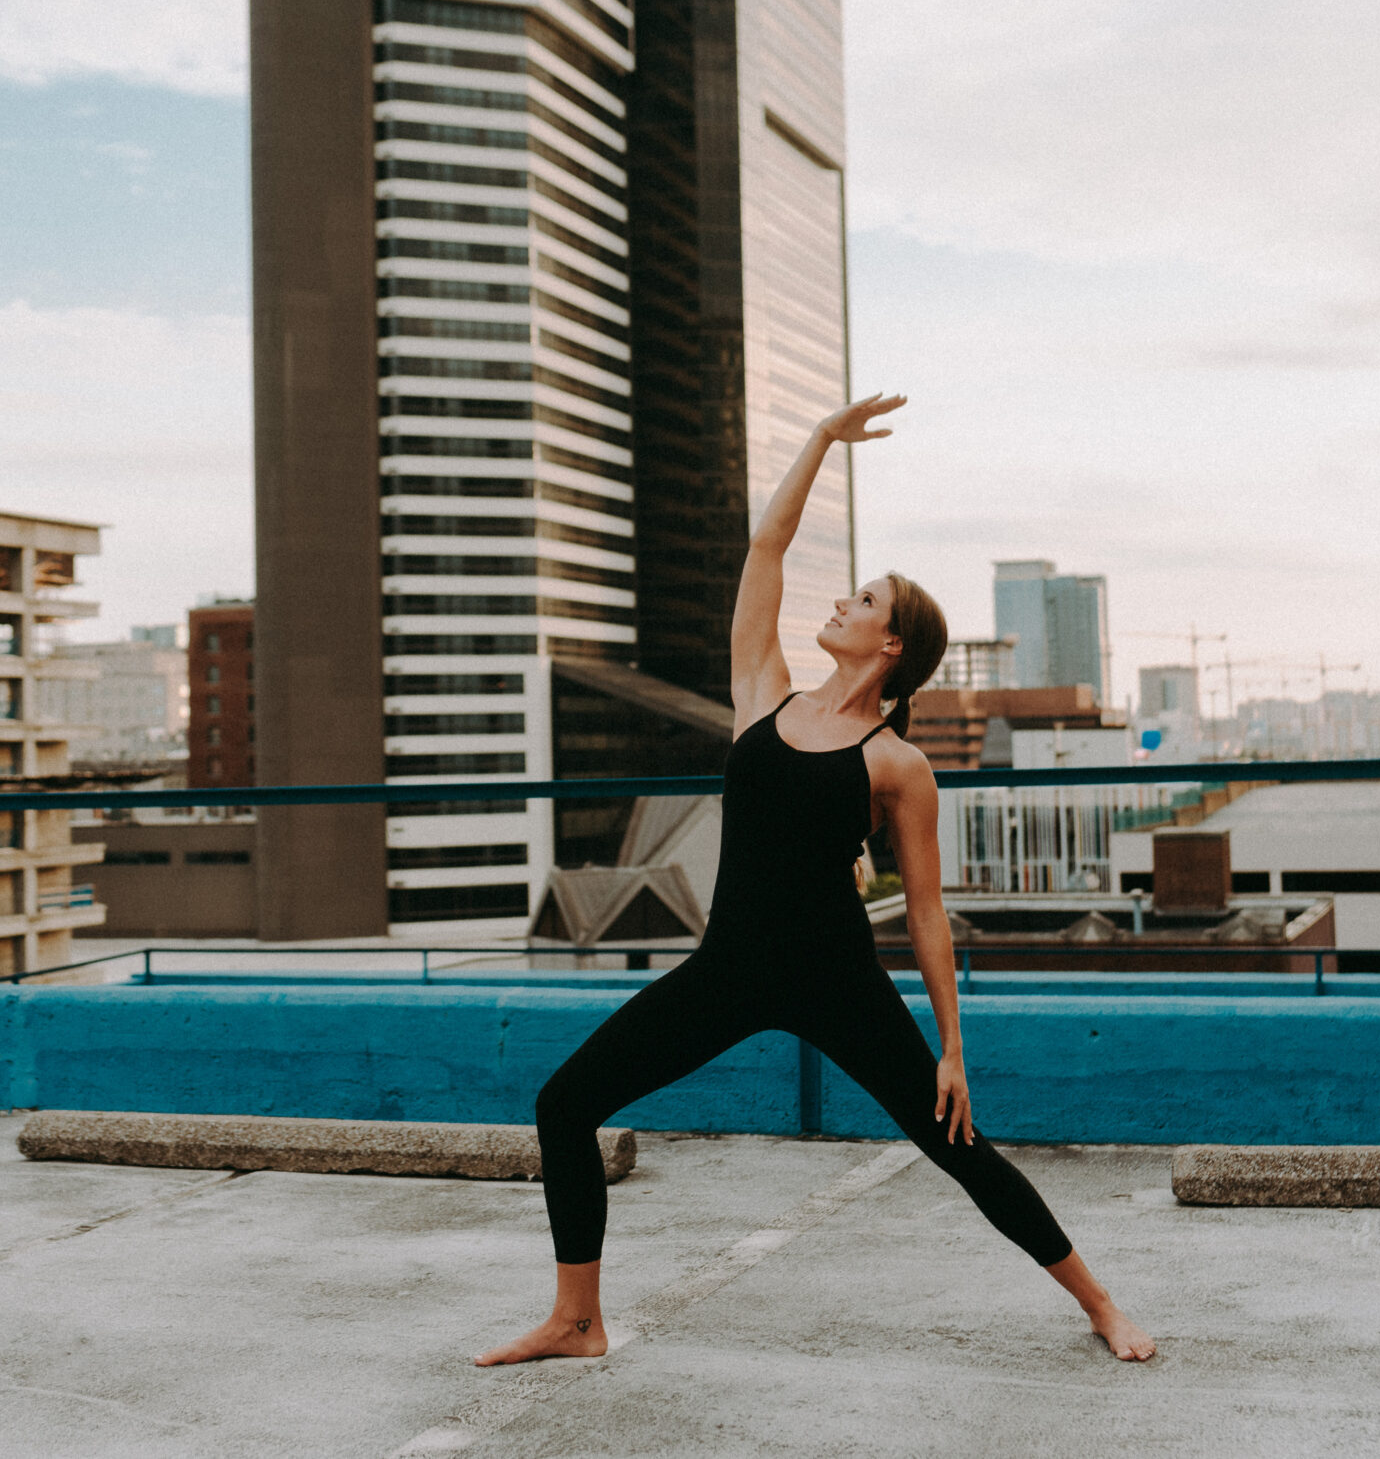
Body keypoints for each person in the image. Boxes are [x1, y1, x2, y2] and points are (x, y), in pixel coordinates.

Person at [476, 394, 1157, 1367]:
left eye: (865, 600)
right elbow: (765, 551)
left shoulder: (896, 764)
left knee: (958, 1148)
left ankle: (1098, 1302)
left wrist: (951, 1047)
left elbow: (925, 909)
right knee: (564, 1101)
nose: (842, 600)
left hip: (838, 979)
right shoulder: (763, 693)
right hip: (729, 966)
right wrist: (818, 443)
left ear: (889, 646)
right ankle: (577, 1319)